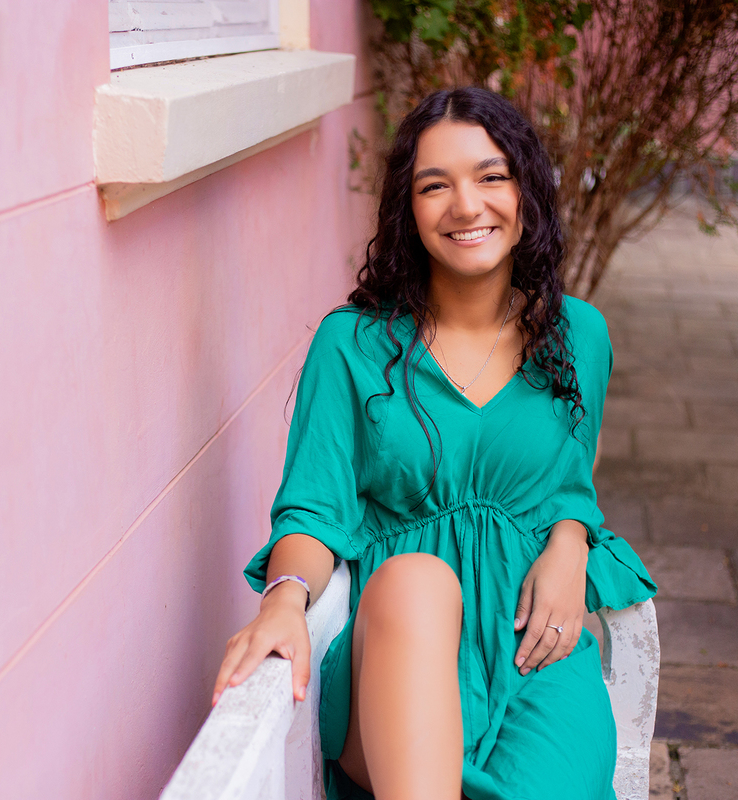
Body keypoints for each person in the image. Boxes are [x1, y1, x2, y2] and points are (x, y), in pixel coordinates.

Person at [211, 87, 656, 800]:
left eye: (490, 176)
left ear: (526, 191)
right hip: (402, 657)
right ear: (407, 210)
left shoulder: (581, 337)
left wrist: (570, 540)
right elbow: (311, 512)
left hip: (534, 652)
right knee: (419, 580)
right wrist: (283, 602)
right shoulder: (352, 346)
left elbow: (571, 483)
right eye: (434, 185)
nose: (465, 206)